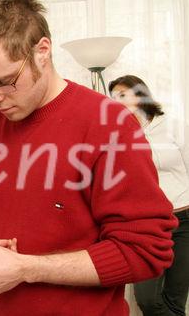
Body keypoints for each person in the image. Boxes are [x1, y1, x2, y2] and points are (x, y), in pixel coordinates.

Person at [0, 0, 178, 315]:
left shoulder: (110, 124)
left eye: (4, 81)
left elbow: (145, 251)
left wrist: (26, 268)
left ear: (41, 51)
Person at [110, 75, 189, 316]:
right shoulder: (119, 135)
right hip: (150, 225)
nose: (117, 101)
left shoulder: (171, 126)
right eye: (113, 98)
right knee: (147, 299)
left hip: (185, 218)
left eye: (123, 95)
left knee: (175, 299)